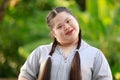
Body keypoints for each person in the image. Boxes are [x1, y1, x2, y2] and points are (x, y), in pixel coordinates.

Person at [18, 6, 113, 80]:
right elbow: (25, 76)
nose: (67, 27)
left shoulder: (95, 55)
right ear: (53, 34)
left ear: (76, 20)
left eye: (68, 21)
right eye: (59, 26)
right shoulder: (40, 52)